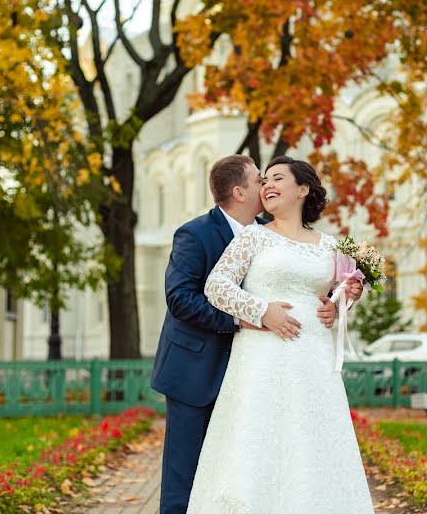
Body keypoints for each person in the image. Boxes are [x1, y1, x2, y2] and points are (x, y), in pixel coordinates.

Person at [150, 155, 359, 514]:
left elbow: (326, 288)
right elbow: (180, 298)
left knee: (271, 455)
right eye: (261, 179)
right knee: (184, 476)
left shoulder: (289, 234)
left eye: (273, 179)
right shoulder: (198, 233)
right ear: (239, 192)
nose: (266, 185)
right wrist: (252, 316)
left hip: (284, 363)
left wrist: (339, 302)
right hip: (197, 366)